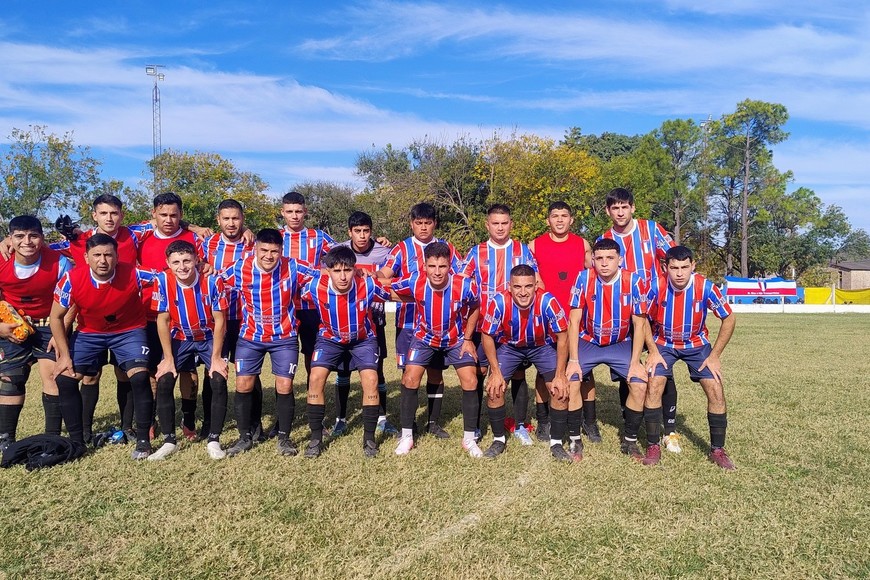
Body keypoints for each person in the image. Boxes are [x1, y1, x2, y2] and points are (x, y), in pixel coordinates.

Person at [49, 234, 156, 460]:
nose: (103, 260)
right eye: (97, 255)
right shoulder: (71, 279)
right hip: (90, 333)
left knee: (139, 377)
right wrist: (65, 356)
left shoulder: (135, 273)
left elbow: (168, 276)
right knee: (65, 379)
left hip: (129, 331)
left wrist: (202, 268)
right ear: (86, 257)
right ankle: (77, 442)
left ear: (117, 257)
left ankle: (143, 441)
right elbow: (56, 318)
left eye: (108, 255)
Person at [221, 228, 316, 457]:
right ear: (255, 249)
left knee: (284, 385)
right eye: (264, 250)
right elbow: (214, 281)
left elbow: (324, 275)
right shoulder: (240, 267)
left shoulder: (293, 266)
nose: (268, 256)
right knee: (243, 384)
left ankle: (284, 438)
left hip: (284, 337)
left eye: (274, 251)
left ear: (281, 250)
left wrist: (358, 273)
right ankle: (244, 437)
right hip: (250, 337)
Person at [641, 245, 737, 469]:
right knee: (654, 384)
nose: (680, 273)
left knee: (715, 388)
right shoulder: (656, 286)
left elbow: (729, 318)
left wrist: (715, 355)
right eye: (674, 268)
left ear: (693, 266)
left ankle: (717, 450)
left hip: (696, 345)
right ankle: (653, 445)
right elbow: (642, 317)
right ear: (665, 267)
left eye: (685, 267)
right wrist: (652, 351)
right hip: (664, 344)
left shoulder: (706, 287)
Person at [598, 187, 679, 450]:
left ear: (633, 207)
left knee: (661, 367)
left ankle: (670, 430)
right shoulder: (605, 239)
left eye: (624, 207)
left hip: (656, 311)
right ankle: (630, 421)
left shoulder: (651, 229)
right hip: (625, 315)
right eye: (615, 208)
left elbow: (675, 258)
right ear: (608, 211)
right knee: (628, 369)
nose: (620, 212)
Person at [377, 203, 463, 439]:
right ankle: (410, 423)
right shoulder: (402, 248)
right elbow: (385, 274)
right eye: (418, 223)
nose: (423, 227)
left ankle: (433, 422)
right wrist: (374, 276)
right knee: (409, 374)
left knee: (435, 372)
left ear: (435, 224)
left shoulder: (447, 248)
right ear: (411, 224)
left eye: (428, 223)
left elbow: (461, 275)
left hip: (439, 325)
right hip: (408, 323)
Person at [390, 242, 482, 458]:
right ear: (424, 265)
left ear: (450, 265)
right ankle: (407, 436)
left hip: (456, 339)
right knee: (409, 378)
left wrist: (468, 338)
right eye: (432, 266)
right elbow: (389, 287)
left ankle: (469, 439)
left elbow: (475, 305)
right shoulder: (415, 281)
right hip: (424, 339)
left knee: (471, 380)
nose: (437, 272)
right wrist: (363, 276)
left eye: (442, 266)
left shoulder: (465, 284)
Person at [565, 238, 653, 462]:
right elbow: (574, 321)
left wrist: (635, 362)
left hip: (620, 342)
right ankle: (575, 440)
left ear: (620, 260)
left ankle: (630, 441)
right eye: (600, 258)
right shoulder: (583, 278)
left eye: (610, 258)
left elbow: (639, 324)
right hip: (589, 341)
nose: (604, 263)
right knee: (572, 380)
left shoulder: (634, 281)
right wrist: (573, 360)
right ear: (593, 259)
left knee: (639, 384)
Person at [299, 246, 392, 458]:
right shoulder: (315, 286)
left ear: (355, 269)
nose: (342, 276)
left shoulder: (367, 284)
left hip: (363, 339)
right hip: (329, 338)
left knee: (371, 379)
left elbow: (393, 292)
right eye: (337, 271)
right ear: (327, 271)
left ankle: (369, 439)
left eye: (348, 270)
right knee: (315, 378)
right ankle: (316, 438)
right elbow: (294, 290)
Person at [461, 204, 540, 445]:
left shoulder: (522, 251)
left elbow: (537, 282)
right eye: (495, 223)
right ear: (487, 225)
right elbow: (461, 283)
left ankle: (519, 425)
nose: (500, 228)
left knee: (517, 372)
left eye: (504, 223)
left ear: (511, 224)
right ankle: (475, 425)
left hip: (513, 325)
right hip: (483, 325)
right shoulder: (476, 252)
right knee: (480, 372)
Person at [479, 265, 572, 462]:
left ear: (536, 286)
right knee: (495, 389)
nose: (523, 292)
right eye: (517, 287)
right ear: (509, 287)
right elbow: (487, 335)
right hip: (510, 346)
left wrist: (560, 374)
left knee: (560, 390)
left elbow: (563, 337)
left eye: (528, 286)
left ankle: (556, 443)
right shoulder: (498, 302)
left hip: (541, 346)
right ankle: (498, 440)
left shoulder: (548, 301)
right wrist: (495, 371)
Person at [0, 216, 73, 451]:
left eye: (33, 236)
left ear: (42, 238)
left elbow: (73, 300)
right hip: (12, 325)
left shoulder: (59, 262)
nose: (27, 242)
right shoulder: (1, 259)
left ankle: (51, 437)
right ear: (10, 239)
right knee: (11, 378)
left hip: (48, 324)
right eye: (19, 236)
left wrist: (61, 331)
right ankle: (5, 439)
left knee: (52, 376)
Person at [136, 192, 204, 440]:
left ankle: (188, 418)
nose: (168, 219)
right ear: (153, 214)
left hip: (185, 320)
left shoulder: (194, 238)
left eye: (174, 215)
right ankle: (153, 418)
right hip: (150, 317)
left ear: (181, 215)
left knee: (188, 370)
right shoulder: (140, 238)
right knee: (154, 370)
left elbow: (205, 267)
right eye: (163, 214)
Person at [152, 241, 229, 460]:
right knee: (164, 379)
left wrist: (216, 357)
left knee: (218, 379)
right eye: (176, 262)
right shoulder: (162, 280)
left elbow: (220, 320)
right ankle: (169, 441)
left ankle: (214, 439)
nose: (182, 266)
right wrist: (168, 358)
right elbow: (162, 320)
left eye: (186, 260)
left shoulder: (213, 281)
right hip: (180, 336)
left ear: (196, 260)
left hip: (208, 336)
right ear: (168, 263)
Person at [528, 201, 592, 442]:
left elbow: (595, 274)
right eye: (555, 216)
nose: (560, 220)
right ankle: (544, 421)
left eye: (564, 215)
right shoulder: (534, 245)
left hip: (576, 319)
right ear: (548, 220)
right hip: (546, 320)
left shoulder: (582, 244)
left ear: (571, 220)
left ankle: (588, 420)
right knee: (545, 371)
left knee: (583, 371)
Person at [332, 211, 396, 437]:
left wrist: (374, 275)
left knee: (377, 371)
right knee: (343, 371)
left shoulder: (384, 251)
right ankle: (340, 420)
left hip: (374, 320)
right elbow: (327, 274)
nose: (362, 235)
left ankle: (382, 419)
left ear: (372, 232)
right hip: (344, 320)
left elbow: (393, 277)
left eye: (366, 231)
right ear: (349, 232)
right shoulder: (338, 250)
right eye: (357, 231)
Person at [200, 199, 258, 441]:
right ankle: (210, 422)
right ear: (218, 220)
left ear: (242, 219)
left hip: (246, 318)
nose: (231, 223)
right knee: (213, 371)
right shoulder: (207, 243)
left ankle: (254, 423)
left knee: (249, 371)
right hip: (217, 319)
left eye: (236, 218)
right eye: (226, 218)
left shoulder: (253, 244)